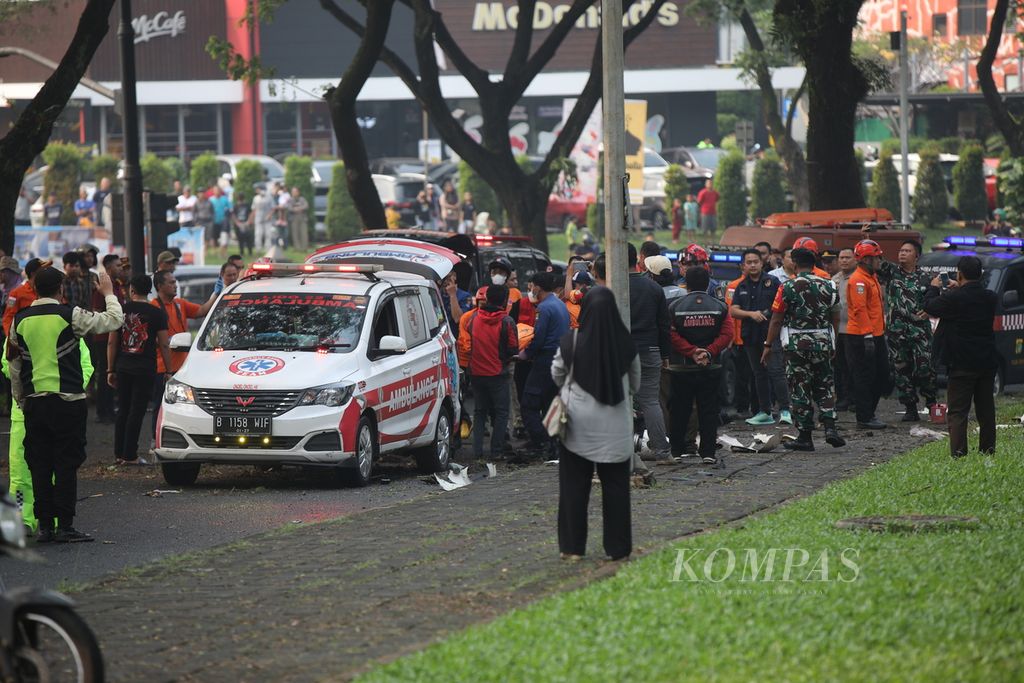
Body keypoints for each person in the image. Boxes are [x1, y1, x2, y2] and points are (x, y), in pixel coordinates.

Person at [8, 266, 124, 542]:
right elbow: (113, 320)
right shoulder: (69, 314)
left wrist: (20, 399)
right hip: (68, 402)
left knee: (39, 464)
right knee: (66, 464)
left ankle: (45, 526)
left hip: (35, 403)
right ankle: (65, 526)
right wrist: (109, 293)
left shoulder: (20, 319)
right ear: (60, 288)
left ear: (34, 288)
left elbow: (14, 364)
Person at [552, 286, 639, 562]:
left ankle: (572, 548)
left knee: (574, 488)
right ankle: (618, 548)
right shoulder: (627, 345)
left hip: (577, 426)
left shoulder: (572, 341)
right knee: (616, 489)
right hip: (616, 429)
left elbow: (556, 373)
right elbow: (635, 384)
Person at [761, 248, 845, 451]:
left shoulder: (787, 287)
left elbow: (776, 319)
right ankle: (830, 428)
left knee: (800, 388)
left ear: (795, 265)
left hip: (796, 345)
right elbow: (835, 317)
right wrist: (832, 340)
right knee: (825, 385)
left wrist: (768, 345)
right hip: (823, 342)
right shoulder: (830, 286)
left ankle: (805, 436)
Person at [923, 256, 997, 458]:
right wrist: (960, 287)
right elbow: (971, 299)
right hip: (986, 362)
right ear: (980, 274)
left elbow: (930, 306)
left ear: (959, 274)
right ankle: (987, 451)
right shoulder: (990, 297)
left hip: (962, 363)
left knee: (957, 412)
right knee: (986, 411)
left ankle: (958, 454)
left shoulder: (953, 299)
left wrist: (933, 287)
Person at [667, 266, 733, 465]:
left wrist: (691, 352)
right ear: (708, 283)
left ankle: (677, 451)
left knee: (679, 410)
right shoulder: (720, 306)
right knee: (708, 410)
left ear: (685, 284)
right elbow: (727, 334)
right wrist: (708, 352)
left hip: (681, 368)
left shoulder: (675, 306)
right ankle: (708, 452)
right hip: (710, 368)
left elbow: (670, 334)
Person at [148, 269, 218, 441]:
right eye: (171, 283)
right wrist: (167, 340)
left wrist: (217, 293)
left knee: (181, 406)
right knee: (159, 406)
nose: (175, 285)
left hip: (182, 367)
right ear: (159, 286)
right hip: (162, 367)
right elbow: (148, 338)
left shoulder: (180, 303)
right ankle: (155, 440)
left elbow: (202, 311)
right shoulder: (154, 308)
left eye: (174, 282)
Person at [108, 274, 171, 465]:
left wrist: (110, 369)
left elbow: (112, 341)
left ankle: (119, 453)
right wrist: (169, 370)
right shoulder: (158, 313)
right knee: (137, 410)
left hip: (123, 366)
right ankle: (130, 455)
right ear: (149, 290)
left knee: (123, 409)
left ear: (131, 290)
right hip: (145, 367)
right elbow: (164, 344)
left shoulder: (121, 311)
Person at [879, 239, 937, 421]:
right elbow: (874, 260)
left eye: (907, 251)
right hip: (897, 331)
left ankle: (931, 402)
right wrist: (867, 238)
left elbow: (935, 299)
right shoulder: (892, 273)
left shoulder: (928, 277)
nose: (902, 253)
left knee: (925, 367)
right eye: (901, 251)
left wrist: (930, 310)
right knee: (901, 369)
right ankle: (910, 407)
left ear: (916, 256)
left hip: (920, 331)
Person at [729, 248, 788, 426]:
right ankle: (765, 412)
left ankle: (785, 410)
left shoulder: (773, 281)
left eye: (756, 261)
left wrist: (766, 314)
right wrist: (750, 314)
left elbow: (783, 305)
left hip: (771, 335)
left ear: (762, 263)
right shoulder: (742, 286)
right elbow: (733, 310)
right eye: (749, 262)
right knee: (758, 374)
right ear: (743, 266)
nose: (753, 265)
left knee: (777, 372)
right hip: (750, 337)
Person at [517, 271, 570, 458]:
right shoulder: (559, 305)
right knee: (549, 404)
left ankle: (541, 442)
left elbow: (539, 338)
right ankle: (553, 445)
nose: (530, 290)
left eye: (531, 286)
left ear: (538, 287)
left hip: (546, 359)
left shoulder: (545, 308)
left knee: (529, 404)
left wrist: (525, 354)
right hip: (560, 358)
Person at [627, 243, 672, 462]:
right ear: (637, 260)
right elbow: (664, 326)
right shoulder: (653, 289)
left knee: (620, 402)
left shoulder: (614, 287)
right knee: (651, 401)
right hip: (650, 350)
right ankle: (663, 451)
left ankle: (622, 451)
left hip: (621, 351)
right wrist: (665, 355)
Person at [466, 285, 518, 460]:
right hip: (498, 374)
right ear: (504, 301)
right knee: (502, 412)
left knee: (480, 412)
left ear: (487, 298)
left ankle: (477, 452)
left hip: (476, 372)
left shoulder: (473, 318)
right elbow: (513, 348)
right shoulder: (507, 321)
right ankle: (496, 452)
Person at [846, 239, 889, 430]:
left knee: (880, 376)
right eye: (876, 257)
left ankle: (868, 413)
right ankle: (864, 416)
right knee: (864, 377)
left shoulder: (872, 277)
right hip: (861, 336)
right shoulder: (858, 280)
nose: (880, 260)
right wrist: (867, 336)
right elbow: (859, 309)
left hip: (876, 334)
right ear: (865, 260)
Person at [832, 247, 857, 412]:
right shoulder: (834, 279)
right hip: (837, 329)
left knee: (854, 366)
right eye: (841, 257)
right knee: (839, 366)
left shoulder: (859, 278)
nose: (844, 260)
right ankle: (842, 398)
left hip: (854, 329)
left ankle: (855, 399)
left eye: (848, 257)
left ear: (855, 259)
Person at [209, 186, 232, 260]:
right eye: (216, 191)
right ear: (214, 191)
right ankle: (214, 251)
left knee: (224, 236)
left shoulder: (224, 199)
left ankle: (223, 252)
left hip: (223, 221)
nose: (217, 192)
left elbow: (230, 208)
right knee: (213, 237)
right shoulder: (211, 200)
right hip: (214, 221)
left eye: (218, 190)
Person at [251, 185, 274, 251]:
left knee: (268, 234)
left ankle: (268, 248)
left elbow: (273, 208)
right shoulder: (256, 198)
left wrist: (269, 215)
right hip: (258, 218)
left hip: (267, 219)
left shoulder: (269, 197)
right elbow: (254, 209)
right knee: (258, 234)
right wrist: (252, 218)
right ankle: (258, 248)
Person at [232, 191, 255, 257]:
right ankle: (242, 252)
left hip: (246, 223)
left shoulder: (247, 205)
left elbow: (251, 213)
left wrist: (249, 221)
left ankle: (250, 252)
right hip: (239, 224)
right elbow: (233, 215)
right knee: (240, 239)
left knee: (249, 239)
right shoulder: (235, 205)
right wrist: (237, 223)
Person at [287, 187, 310, 251]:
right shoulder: (290, 200)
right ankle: (297, 248)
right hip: (294, 218)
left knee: (304, 233)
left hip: (302, 217)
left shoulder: (302, 199)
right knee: (295, 233)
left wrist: (299, 208)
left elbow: (306, 206)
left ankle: (304, 248)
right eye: (292, 192)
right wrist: (295, 209)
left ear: (298, 192)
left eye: (295, 192)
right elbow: (289, 208)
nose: (294, 193)